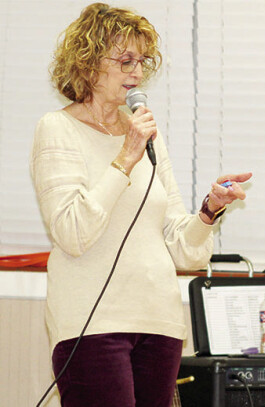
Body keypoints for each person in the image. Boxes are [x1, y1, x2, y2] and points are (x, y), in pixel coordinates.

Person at [30, 3, 251, 406]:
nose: (137, 73)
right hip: (91, 323)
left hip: (158, 320)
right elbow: (72, 233)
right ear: (89, 62)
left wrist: (208, 210)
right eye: (126, 60)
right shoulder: (57, 129)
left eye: (142, 62)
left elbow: (182, 249)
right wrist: (124, 158)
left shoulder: (148, 135)